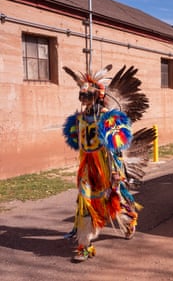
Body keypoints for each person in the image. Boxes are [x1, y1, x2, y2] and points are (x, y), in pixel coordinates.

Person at [62, 65, 149, 262]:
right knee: (85, 200)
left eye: (87, 95)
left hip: (107, 165)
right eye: (81, 95)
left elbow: (117, 144)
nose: (83, 100)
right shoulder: (81, 118)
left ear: (98, 96)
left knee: (115, 196)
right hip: (87, 165)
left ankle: (128, 222)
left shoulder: (107, 116)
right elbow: (79, 141)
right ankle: (84, 245)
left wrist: (117, 170)